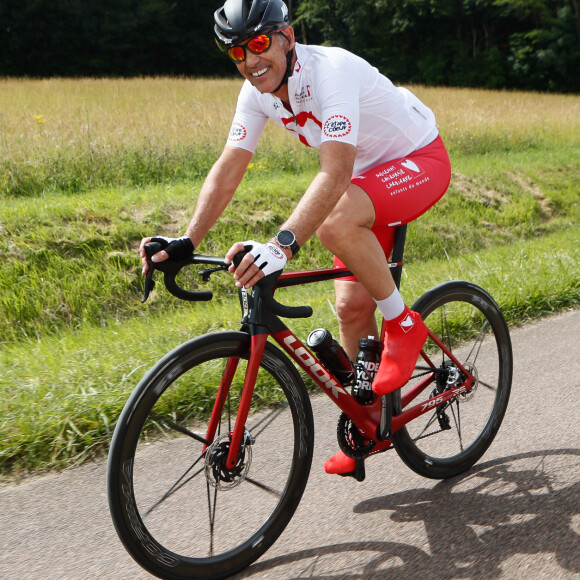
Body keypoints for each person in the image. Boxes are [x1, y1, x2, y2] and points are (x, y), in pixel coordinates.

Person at [139, 0, 452, 477]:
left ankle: (404, 325)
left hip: (417, 160)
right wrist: (186, 238)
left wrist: (280, 246)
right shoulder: (256, 92)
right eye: (237, 53)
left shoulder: (331, 72)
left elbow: (335, 171)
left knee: (334, 222)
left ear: (287, 35)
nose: (250, 61)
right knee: (349, 307)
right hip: (367, 180)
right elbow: (229, 169)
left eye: (259, 44)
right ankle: (368, 422)